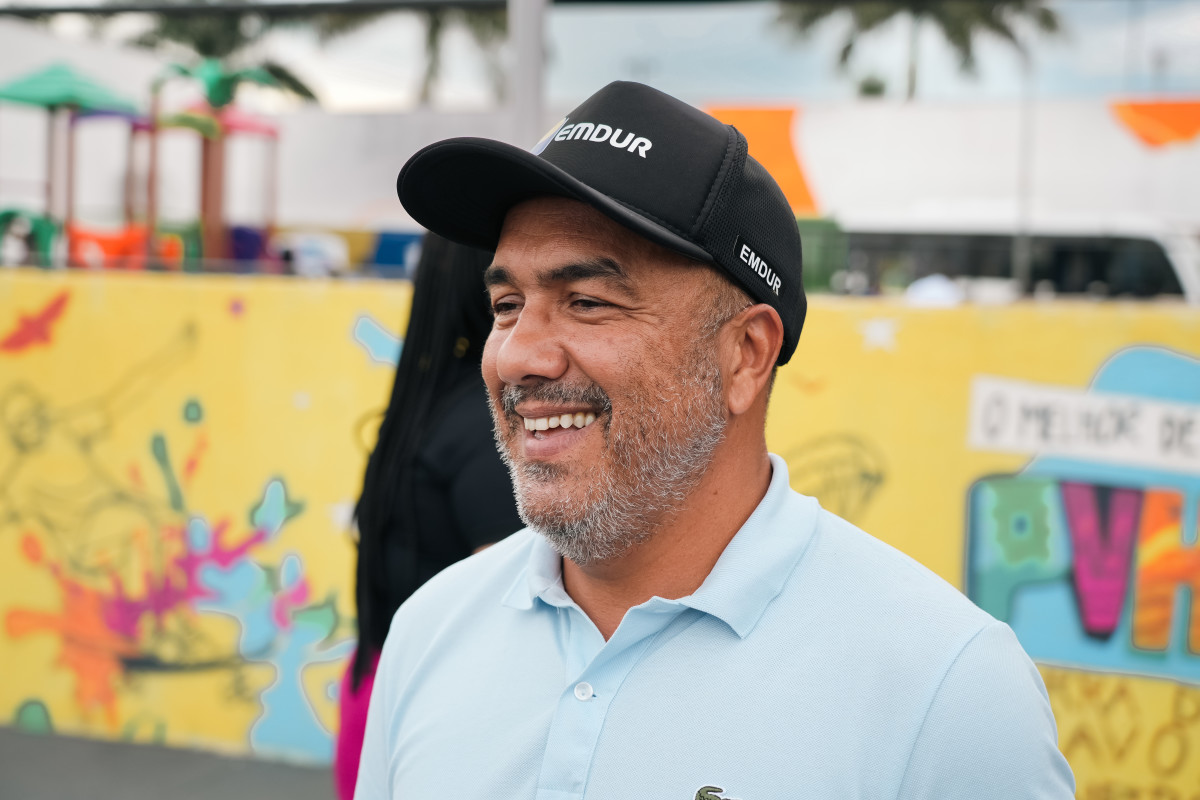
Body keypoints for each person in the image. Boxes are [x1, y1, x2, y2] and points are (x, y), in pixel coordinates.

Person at [356, 81, 1075, 799]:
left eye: (588, 302)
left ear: (745, 355)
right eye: (507, 304)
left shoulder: (947, 691)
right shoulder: (431, 631)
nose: (517, 356)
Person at [334, 233, 523, 800]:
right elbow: (512, 621)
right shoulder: (485, 426)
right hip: (434, 712)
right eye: (513, 296)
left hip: (374, 688)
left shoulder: (428, 403)